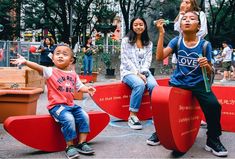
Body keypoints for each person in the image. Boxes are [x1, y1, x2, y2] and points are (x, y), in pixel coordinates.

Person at [151, 11, 228, 157]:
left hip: (199, 84)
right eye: (184, 19)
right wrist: (161, 33)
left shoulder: (205, 45)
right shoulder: (176, 41)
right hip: (179, 83)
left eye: (192, 19)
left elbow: (211, 71)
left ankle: (212, 139)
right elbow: (160, 56)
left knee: (214, 105)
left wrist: (206, 65)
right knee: (164, 104)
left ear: (198, 26)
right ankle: (161, 133)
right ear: (180, 25)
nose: (187, 21)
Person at [11, 45, 96, 159]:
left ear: (71, 60)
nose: (60, 56)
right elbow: (38, 67)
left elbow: (80, 87)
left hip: (71, 105)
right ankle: (70, 146)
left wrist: (88, 89)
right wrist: (26, 62)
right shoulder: (50, 71)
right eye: (58, 54)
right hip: (57, 106)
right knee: (69, 119)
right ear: (53, 58)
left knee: (85, 116)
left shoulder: (73, 74)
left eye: (65, 54)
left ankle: (82, 143)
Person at [120, 17, 158, 134]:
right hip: (128, 72)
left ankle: (156, 114)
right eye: (135, 25)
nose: (138, 27)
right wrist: (137, 73)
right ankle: (132, 116)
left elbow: (148, 60)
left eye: (141, 24)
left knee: (154, 86)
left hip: (144, 71)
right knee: (139, 84)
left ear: (145, 26)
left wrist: (143, 72)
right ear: (132, 26)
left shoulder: (149, 43)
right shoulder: (126, 41)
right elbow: (125, 59)